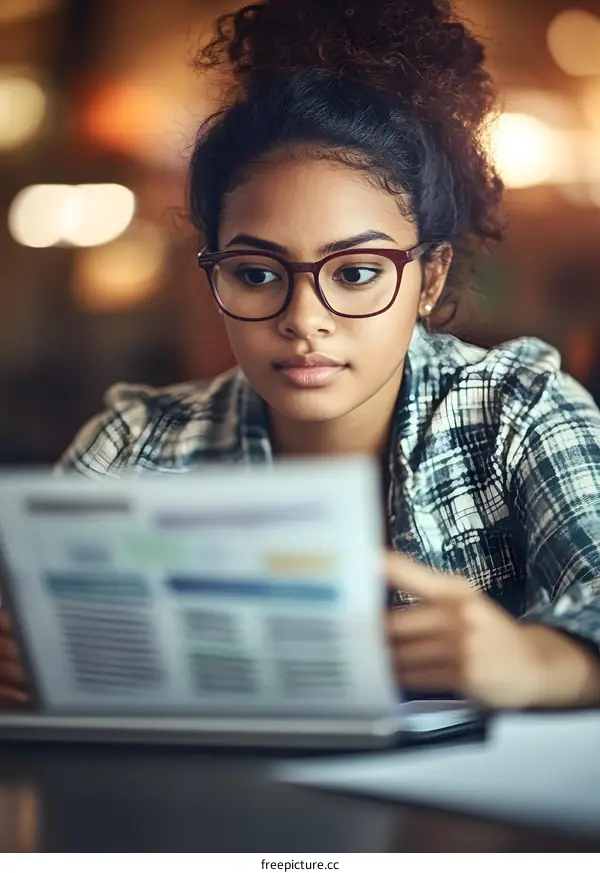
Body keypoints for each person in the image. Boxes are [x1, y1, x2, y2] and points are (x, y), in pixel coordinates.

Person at [2, 0, 600, 709]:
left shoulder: (517, 411)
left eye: (355, 273)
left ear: (429, 278)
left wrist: (539, 661)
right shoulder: (144, 443)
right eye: (257, 274)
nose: (303, 320)